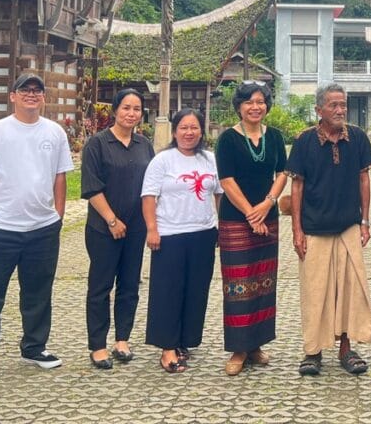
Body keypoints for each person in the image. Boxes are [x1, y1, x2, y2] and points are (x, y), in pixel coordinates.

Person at [0, 72, 74, 383]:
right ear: (12, 96)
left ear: (43, 97)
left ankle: (34, 346)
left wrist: (59, 215)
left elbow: (60, 176)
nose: (31, 95)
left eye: (36, 91)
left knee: (38, 292)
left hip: (42, 228)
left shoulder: (54, 133)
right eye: (24, 90)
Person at [286, 83, 371, 377]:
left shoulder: (358, 138)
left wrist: (364, 221)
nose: (340, 110)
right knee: (316, 292)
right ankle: (313, 350)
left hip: (349, 227)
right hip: (314, 230)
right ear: (319, 110)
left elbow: (364, 179)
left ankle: (346, 348)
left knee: (350, 291)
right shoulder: (304, 142)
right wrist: (297, 230)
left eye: (343, 105)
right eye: (333, 105)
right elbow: (296, 185)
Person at [215, 81, 288, 376]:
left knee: (263, 280)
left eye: (260, 101)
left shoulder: (276, 137)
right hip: (236, 219)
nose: (255, 107)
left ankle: (256, 344)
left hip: (267, 217)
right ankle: (238, 348)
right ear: (239, 107)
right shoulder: (227, 139)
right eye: (249, 102)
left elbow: (283, 172)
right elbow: (226, 181)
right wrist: (250, 213)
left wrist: (268, 204)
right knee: (238, 284)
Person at [141, 108, 222, 373]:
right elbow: (149, 196)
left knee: (196, 290)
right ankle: (166, 347)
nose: (189, 133)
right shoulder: (163, 160)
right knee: (168, 291)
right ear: (175, 132)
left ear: (202, 131)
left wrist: (219, 224)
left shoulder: (210, 159)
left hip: (203, 233)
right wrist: (152, 229)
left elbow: (219, 193)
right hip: (170, 234)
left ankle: (184, 340)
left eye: (194, 128)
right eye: (183, 128)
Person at [80, 88, 154, 369]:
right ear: (114, 110)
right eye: (126, 108)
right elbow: (91, 187)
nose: (131, 113)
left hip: (136, 228)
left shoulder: (144, 145)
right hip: (103, 228)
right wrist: (111, 219)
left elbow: (152, 185)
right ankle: (97, 345)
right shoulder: (97, 144)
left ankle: (122, 339)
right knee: (100, 287)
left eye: (136, 109)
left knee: (129, 285)